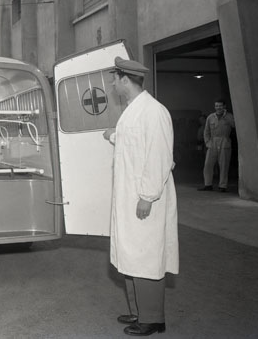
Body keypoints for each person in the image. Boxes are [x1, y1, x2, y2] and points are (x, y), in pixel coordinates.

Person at [102, 56, 179, 336]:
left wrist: (147, 196)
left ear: (125, 80)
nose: (112, 85)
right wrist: (113, 135)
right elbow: (133, 145)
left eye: (114, 79)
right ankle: (139, 312)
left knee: (146, 256)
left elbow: (159, 157)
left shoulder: (154, 111)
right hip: (129, 199)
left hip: (145, 200)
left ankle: (153, 319)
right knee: (132, 255)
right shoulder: (133, 110)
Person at [198, 99, 235, 192]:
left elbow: (234, 125)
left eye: (220, 106)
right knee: (208, 165)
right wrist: (208, 143)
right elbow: (206, 131)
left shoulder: (229, 116)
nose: (218, 108)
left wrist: (226, 116)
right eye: (216, 106)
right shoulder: (210, 117)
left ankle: (222, 186)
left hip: (224, 141)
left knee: (224, 165)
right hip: (213, 142)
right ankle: (208, 184)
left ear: (224, 106)